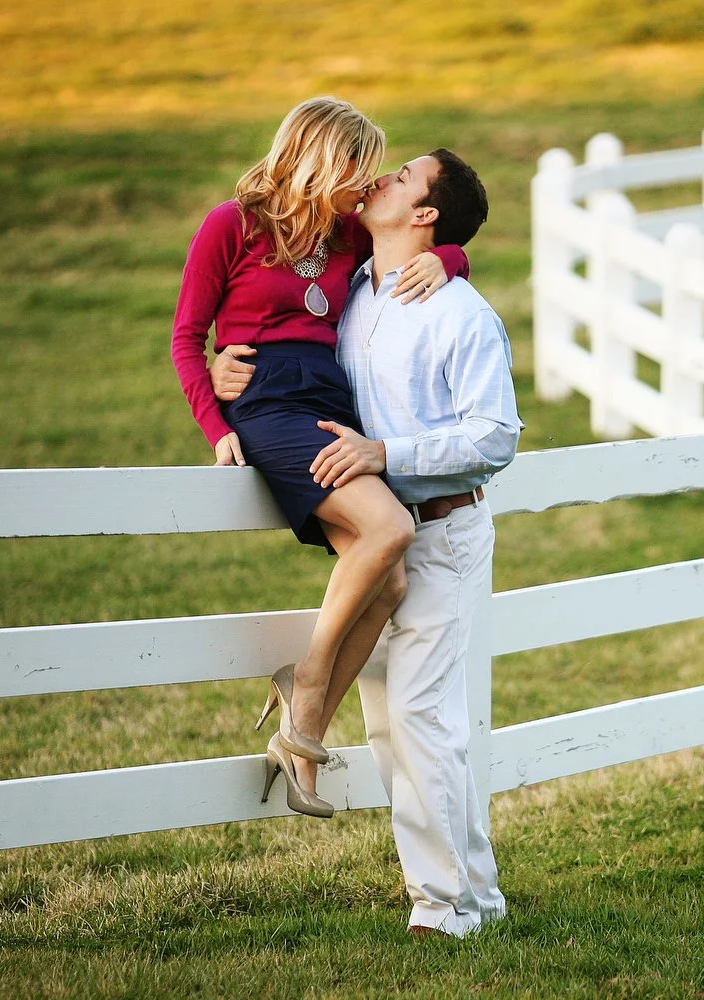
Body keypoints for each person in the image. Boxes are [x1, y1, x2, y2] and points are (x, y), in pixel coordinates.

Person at [210, 147, 519, 938]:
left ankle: (442, 907)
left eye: (403, 177)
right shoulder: (350, 289)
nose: (382, 177)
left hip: (441, 531)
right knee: (395, 723)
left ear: (425, 214)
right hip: (378, 541)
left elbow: (496, 435)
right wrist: (222, 372)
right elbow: (276, 321)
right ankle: (475, 896)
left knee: (418, 715)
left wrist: (388, 455)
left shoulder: (459, 312)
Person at [172, 97, 469, 818]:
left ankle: (301, 732)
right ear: (320, 160)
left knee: (390, 581)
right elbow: (187, 337)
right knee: (391, 528)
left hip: (330, 400)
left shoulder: (345, 234)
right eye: (358, 170)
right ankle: (306, 681)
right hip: (268, 402)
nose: (367, 187)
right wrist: (215, 422)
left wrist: (447, 257)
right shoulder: (231, 225)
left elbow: (423, 239)